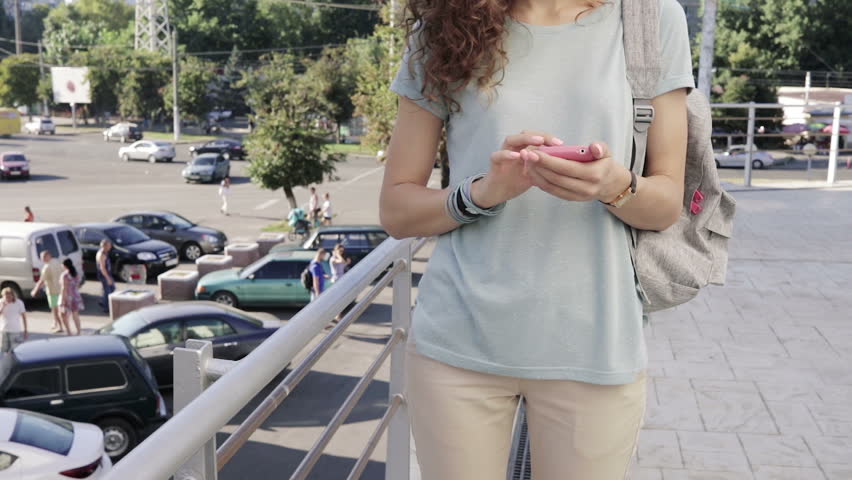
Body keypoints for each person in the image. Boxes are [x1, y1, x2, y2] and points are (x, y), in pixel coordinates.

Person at [379, 0, 694, 478]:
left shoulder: (651, 18)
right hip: (456, 346)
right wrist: (484, 193)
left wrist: (613, 185)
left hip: (597, 348)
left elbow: (667, 203)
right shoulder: (445, 24)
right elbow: (396, 209)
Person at [30, 250, 67, 334]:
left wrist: (35, 290)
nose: (42, 259)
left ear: (48, 256)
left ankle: (60, 327)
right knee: (59, 309)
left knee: (55, 310)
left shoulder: (47, 267)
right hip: (61, 289)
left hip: (52, 291)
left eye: (43, 257)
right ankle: (56, 323)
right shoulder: (57, 262)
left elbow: (41, 280)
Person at [59, 259, 84, 335]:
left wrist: (62, 301)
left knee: (63, 315)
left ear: (65, 265)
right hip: (76, 296)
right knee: (75, 314)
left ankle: (69, 331)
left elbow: (64, 288)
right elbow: (78, 285)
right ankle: (78, 331)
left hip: (67, 297)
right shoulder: (76, 274)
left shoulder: (65, 275)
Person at [0, 287, 27, 354]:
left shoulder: (19, 303)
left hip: (15, 331)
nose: (8, 299)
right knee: (4, 351)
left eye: (9, 296)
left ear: (13, 295)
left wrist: (25, 330)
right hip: (4, 330)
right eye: (6, 297)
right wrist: (2, 307)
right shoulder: (1, 302)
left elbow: (24, 317)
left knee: (14, 351)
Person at [96, 239, 116, 313]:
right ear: (104, 246)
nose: (110, 247)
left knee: (110, 288)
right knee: (109, 291)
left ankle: (103, 301)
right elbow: (102, 268)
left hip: (107, 274)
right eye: (109, 245)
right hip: (104, 275)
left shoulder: (105, 252)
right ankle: (106, 307)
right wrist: (108, 278)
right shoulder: (102, 255)